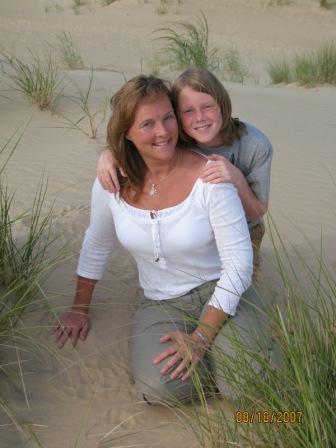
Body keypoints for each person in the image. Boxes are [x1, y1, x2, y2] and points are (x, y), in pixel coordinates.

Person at [54, 75, 253, 404]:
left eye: (168, 118)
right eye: (147, 124)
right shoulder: (111, 182)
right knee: (160, 389)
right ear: (126, 134)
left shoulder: (210, 178)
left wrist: (202, 337)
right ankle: (225, 360)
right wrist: (79, 309)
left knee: (244, 385)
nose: (163, 132)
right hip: (161, 302)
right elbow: (97, 243)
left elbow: (239, 264)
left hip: (222, 290)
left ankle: (237, 353)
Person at [97, 68, 273, 279]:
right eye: (187, 111)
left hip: (245, 230)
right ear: (176, 115)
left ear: (222, 105)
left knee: (240, 289)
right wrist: (109, 154)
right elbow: (137, 140)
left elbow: (257, 211)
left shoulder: (254, 145)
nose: (199, 118)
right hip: (194, 229)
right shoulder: (176, 136)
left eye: (208, 107)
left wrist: (236, 178)